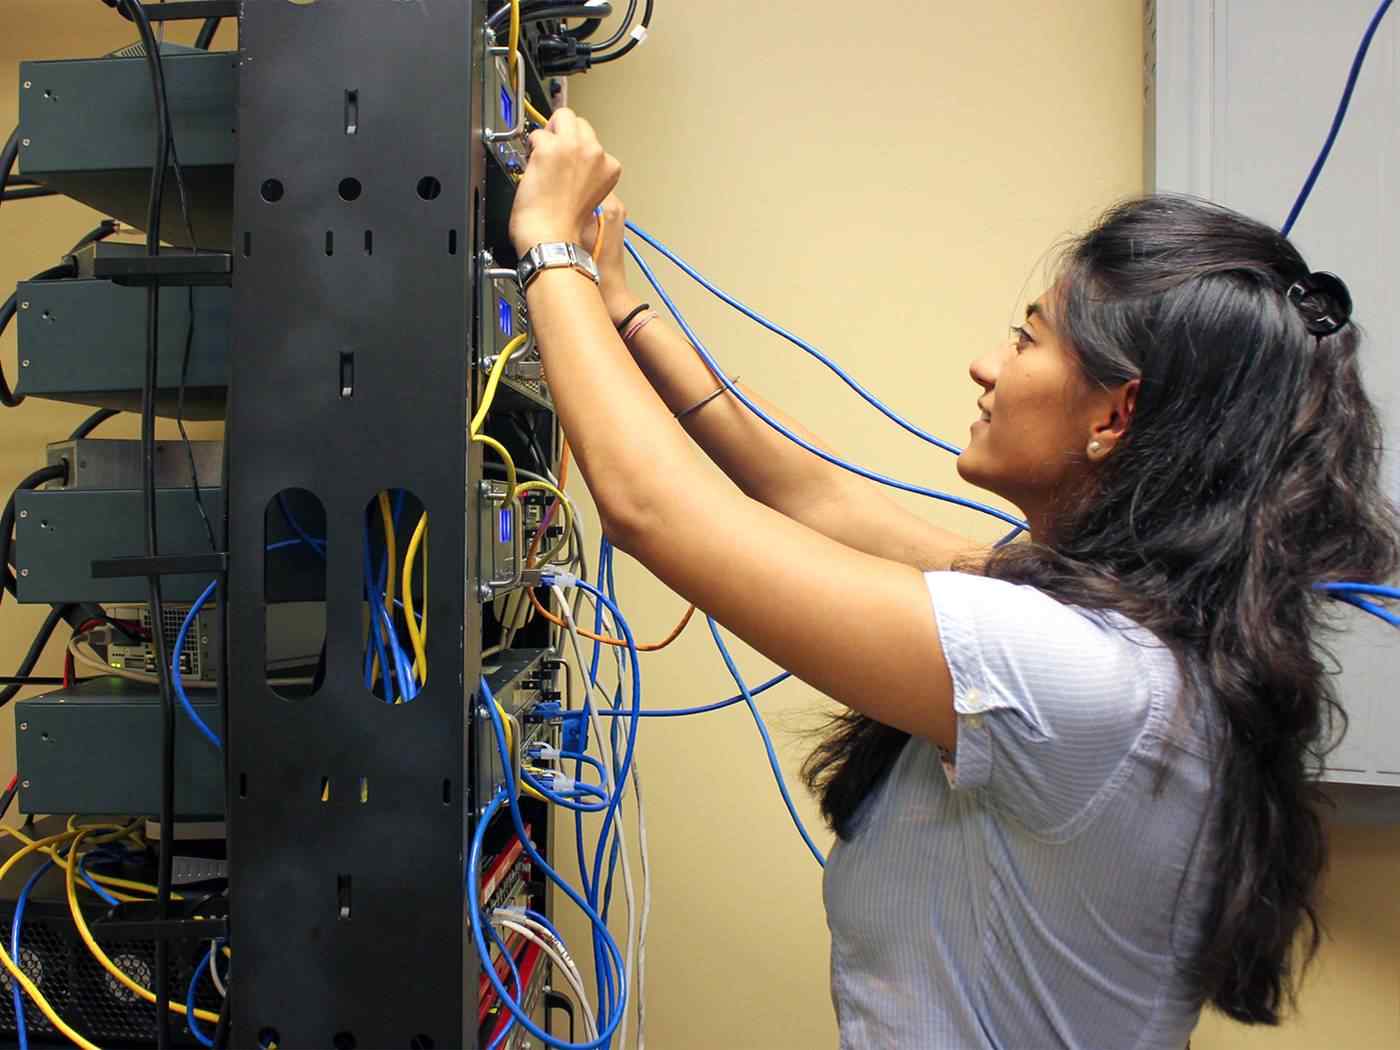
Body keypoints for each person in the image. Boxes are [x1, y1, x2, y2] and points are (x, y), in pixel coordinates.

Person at [507, 109, 1400, 1048]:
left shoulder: (1086, 678)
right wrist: (619, 304)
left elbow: (659, 516)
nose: (987, 364)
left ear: (1115, 413)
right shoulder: (1122, 638)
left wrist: (547, 251)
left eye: (1027, 340)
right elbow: (814, 497)